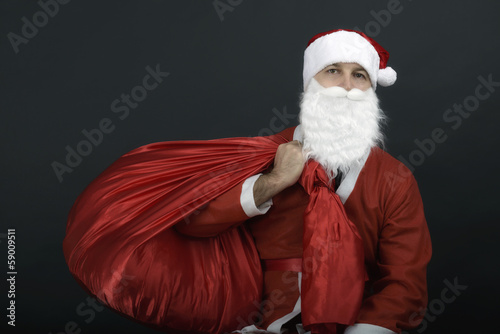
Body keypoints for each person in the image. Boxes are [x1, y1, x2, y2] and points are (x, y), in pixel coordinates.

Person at [174, 29, 432, 334]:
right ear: (310, 83)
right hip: (259, 323)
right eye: (333, 71)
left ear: (371, 90)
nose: (347, 87)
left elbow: (405, 286)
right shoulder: (263, 153)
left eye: (359, 76)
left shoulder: (394, 179)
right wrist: (275, 180)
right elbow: (190, 221)